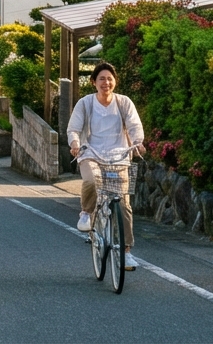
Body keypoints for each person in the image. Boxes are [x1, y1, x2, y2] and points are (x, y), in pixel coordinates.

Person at [67, 62, 145, 272]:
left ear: (115, 81)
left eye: (109, 78)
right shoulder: (85, 103)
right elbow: (73, 129)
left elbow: (134, 125)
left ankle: (127, 252)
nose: (106, 82)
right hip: (90, 154)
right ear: (93, 82)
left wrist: (138, 143)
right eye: (101, 78)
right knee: (91, 180)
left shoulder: (123, 103)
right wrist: (75, 144)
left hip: (119, 156)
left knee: (124, 205)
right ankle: (86, 212)